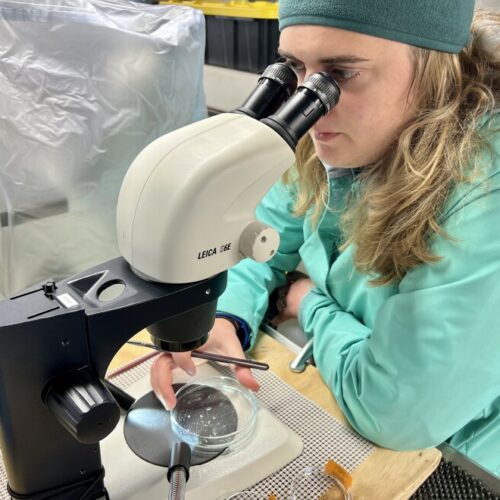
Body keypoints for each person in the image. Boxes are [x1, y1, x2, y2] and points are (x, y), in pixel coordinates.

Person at [151, 0, 500, 477]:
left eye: (341, 72)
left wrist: (307, 301)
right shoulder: (338, 137)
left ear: (435, 69)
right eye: (296, 68)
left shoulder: (485, 192)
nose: (309, 102)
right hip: (361, 390)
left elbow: (395, 411)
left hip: (464, 452)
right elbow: (258, 237)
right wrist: (224, 316)